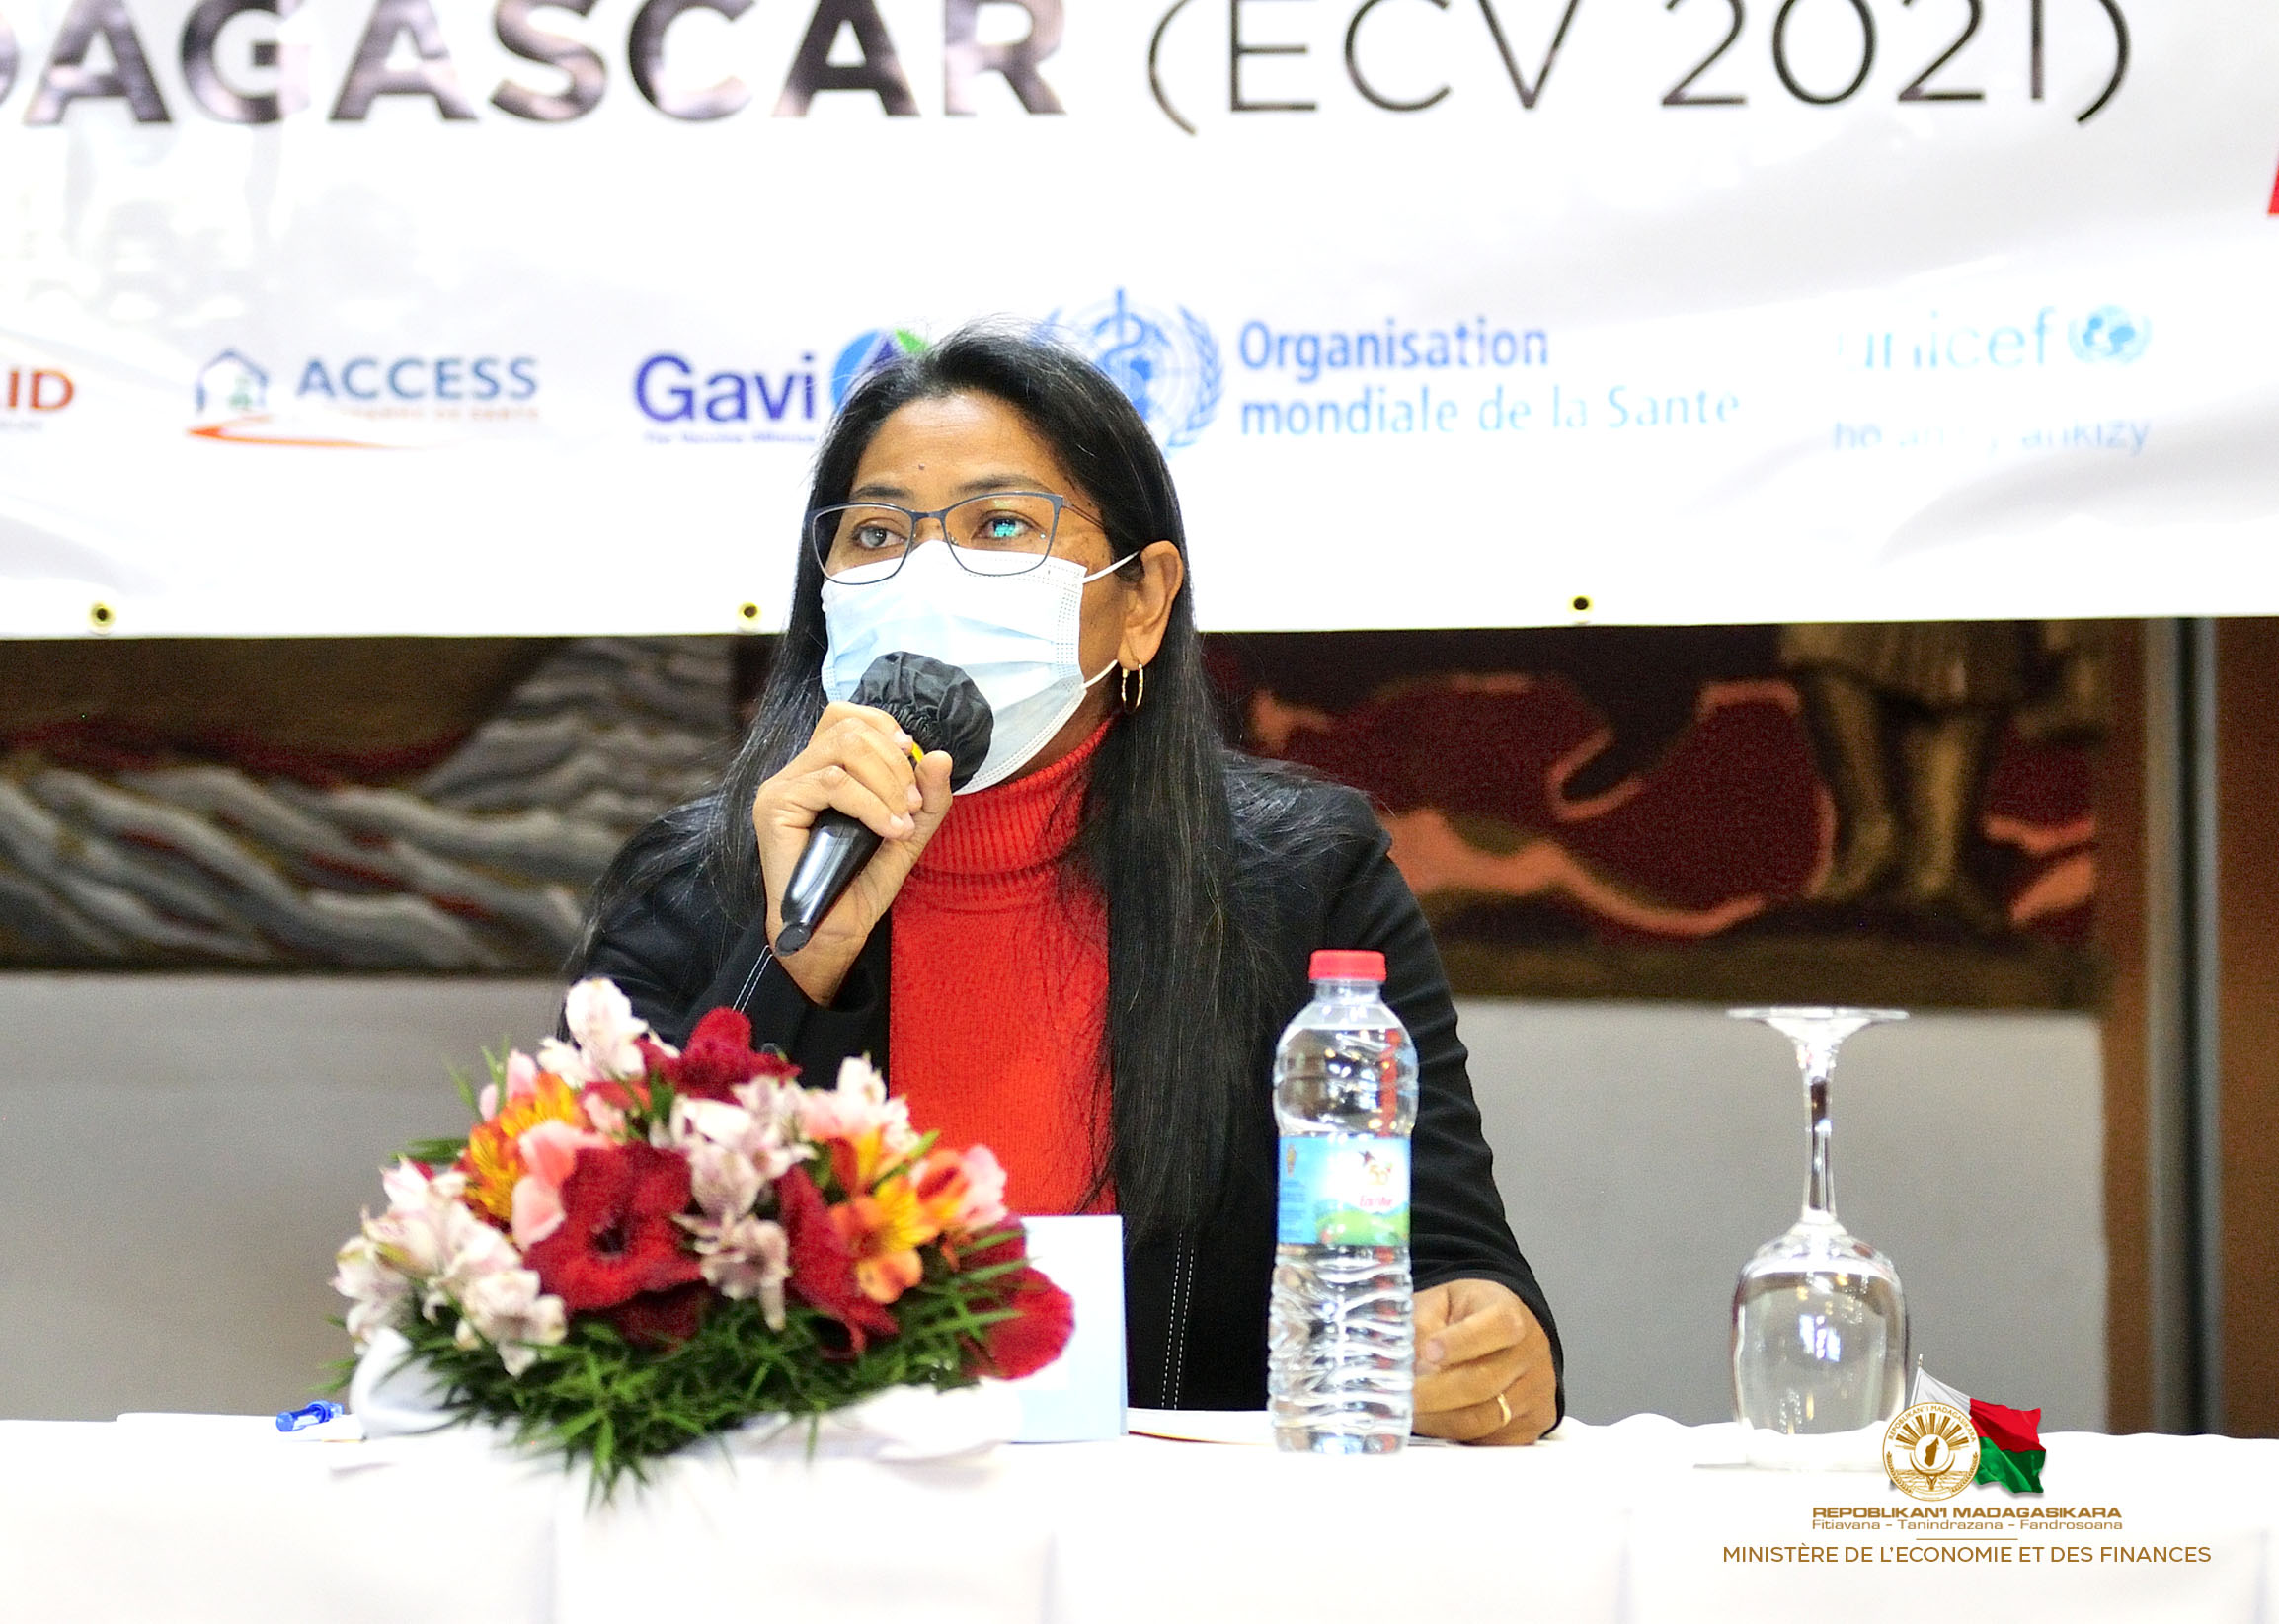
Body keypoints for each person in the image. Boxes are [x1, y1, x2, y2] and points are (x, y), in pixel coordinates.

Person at [571, 324, 1563, 1441]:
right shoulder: (689, 887)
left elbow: (1451, 1266)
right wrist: (793, 960)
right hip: (801, 1516)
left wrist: (1485, 1350)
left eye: (1001, 526)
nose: (927, 576)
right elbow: (589, 1284)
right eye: (878, 534)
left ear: (1141, 602)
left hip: (1179, 1530)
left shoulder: (1302, 880)